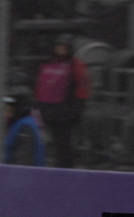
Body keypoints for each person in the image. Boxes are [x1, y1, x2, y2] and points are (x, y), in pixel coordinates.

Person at [34, 34, 90, 168]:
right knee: (56, 141)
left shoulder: (75, 65)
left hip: (66, 111)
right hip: (50, 111)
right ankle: (61, 163)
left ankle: (65, 166)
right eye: (59, 47)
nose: (62, 50)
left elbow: (82, 87)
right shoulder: (49, 62)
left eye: (65, 47)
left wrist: (76, 108)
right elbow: (41, 85)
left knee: (64, 142)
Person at [3, 88, 46, 166]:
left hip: (23, 175)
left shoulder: (25, 127)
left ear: (19, 107)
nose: (7, 108)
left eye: (11, 105)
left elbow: (23, 160)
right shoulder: (21, 123)